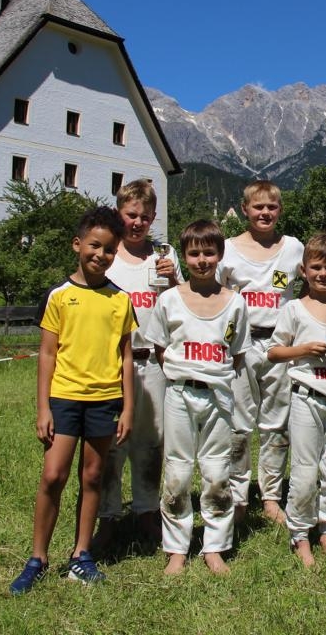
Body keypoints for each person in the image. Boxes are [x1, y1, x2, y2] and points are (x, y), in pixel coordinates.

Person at [10, 207, 136, 594]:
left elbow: (126, 356)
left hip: (105, 401)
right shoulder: (59, 296)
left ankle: (81, 555)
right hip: (64, 399)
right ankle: (38, 557)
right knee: (53, 476)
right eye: (95, 246)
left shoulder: (120, 300)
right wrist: (43, 407)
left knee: (93, 477)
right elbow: (47, 354)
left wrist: (128, 407)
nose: (101, 255)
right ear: (77, 244)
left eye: (110, 249)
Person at [142, 220, 251, 575]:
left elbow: (236, 354)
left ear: (220, 255)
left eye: (209, 252)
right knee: (177, 470)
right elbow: (161, 348)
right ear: (184, 256)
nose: (202, 260)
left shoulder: (235, 303)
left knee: (218, 469)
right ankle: (176, 547)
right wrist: (184, 374)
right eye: (194, 253)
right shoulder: (170, 300)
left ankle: (214, 545)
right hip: (180, 393)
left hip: (219, 395)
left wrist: (210, 376)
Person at [96, 179, 181, 552]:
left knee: (152, 440)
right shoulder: (108, 255)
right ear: (119, 212)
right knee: (112, 442)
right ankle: (108, 516)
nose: (137, 223)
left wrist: (174, 278)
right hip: (112, 363)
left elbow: (178, 303)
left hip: (154, 362)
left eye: (145, 217)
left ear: (153, 218)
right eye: (131, 215)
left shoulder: (163, 254)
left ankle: (148, 512)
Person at [267, 235, 326, 566]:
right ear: (304, 270)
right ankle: (300, 535)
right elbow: (274, 351)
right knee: (305, 473)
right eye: (316, 267)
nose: (323, 273)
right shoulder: (294, 309)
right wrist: (304, 349)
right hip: (305, 396)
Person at [217, 180, 305, 524]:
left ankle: (270, 496)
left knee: (276, 424)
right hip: (240, 344)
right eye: (258, 207)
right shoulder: (226, 249)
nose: (265, 213)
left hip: (280, 344)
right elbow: (216, 298)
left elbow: (315, 281)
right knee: (238, 425)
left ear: (280, 210)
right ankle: (239, 497)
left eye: (271, 207)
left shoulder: (293, 248)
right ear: (245, 209)